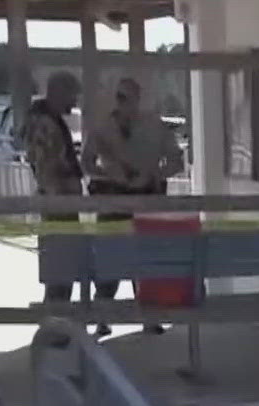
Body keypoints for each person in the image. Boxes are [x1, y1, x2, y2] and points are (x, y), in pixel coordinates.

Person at [82, 76, 186, 330]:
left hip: (148, 198)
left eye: (127, 97)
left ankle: (150, 317)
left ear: (138, 99)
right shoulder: (104, 128)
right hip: (113, 200)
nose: (122, 103)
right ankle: (102, 316)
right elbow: (86, 162)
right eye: (119, 97)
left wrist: (154, 175)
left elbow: (176, 161)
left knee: (148, 260)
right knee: (110, 260)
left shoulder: (155, 127)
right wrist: (108, 173)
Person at [23, 72, 84, 305]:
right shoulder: (43, 123)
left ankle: (58, 329)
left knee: (63, 275)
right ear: (59, 93)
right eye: (72, 95)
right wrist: (59, 200)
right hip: (57, 209)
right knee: (59, 276)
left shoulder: (51, 120)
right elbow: (45, 168)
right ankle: (54, 330)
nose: (75, 102)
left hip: (63, 206)